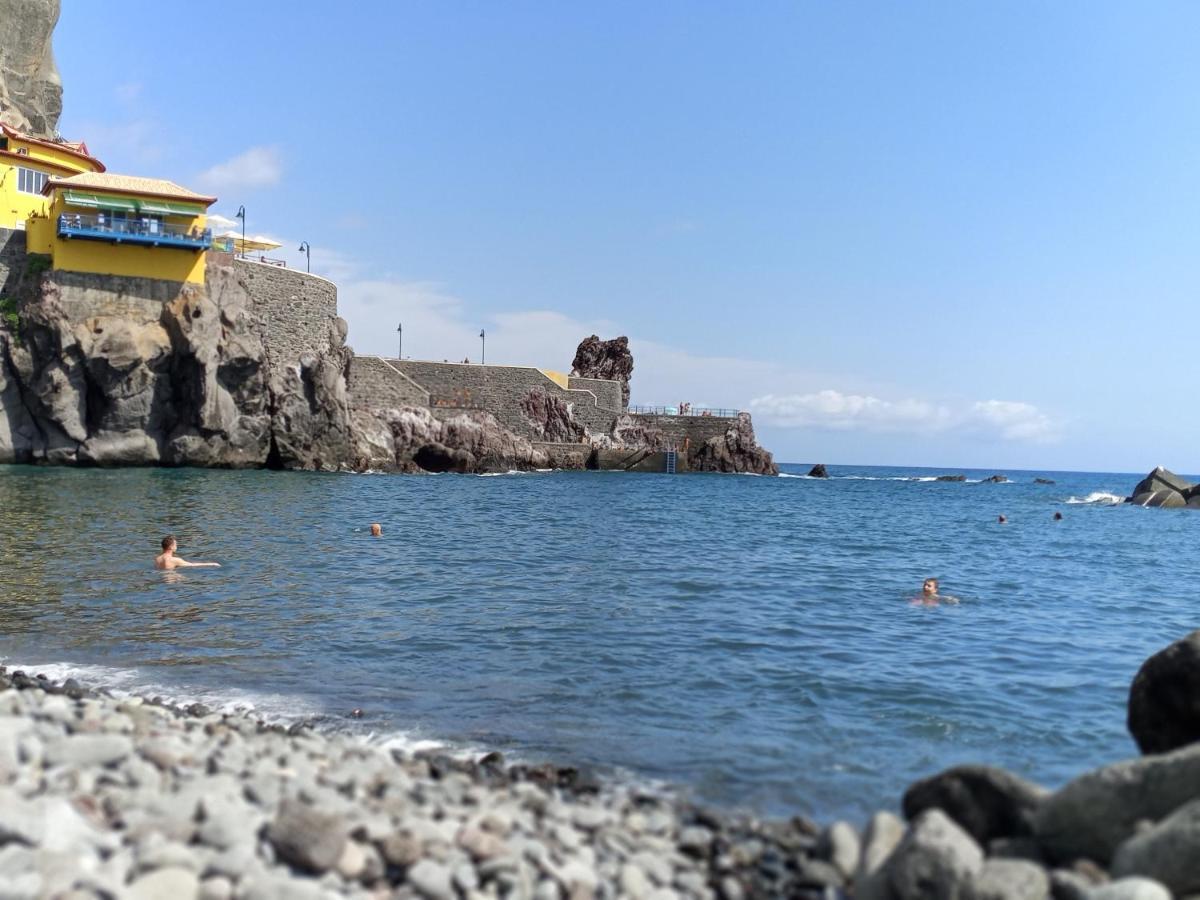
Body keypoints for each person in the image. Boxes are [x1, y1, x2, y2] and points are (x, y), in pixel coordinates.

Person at [154, 535, 220, 570]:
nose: (176, 547)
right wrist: (212, 564)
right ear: (171, 547)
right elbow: (192, 565)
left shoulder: (157, 559)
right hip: (171, 580)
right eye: (176, 545)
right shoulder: (175, 560)